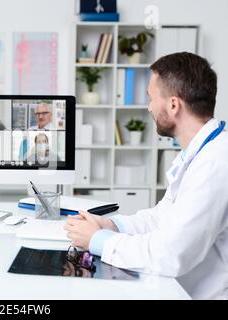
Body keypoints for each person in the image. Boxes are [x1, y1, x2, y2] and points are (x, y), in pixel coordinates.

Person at [64, 52, 228, 300]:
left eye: (151, 98)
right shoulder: (199, 152)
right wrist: (112, 225)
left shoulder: (216, 162)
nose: (149, 107)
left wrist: (98, 240)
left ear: (173, 105)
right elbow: (164, 218)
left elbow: (171, 255)